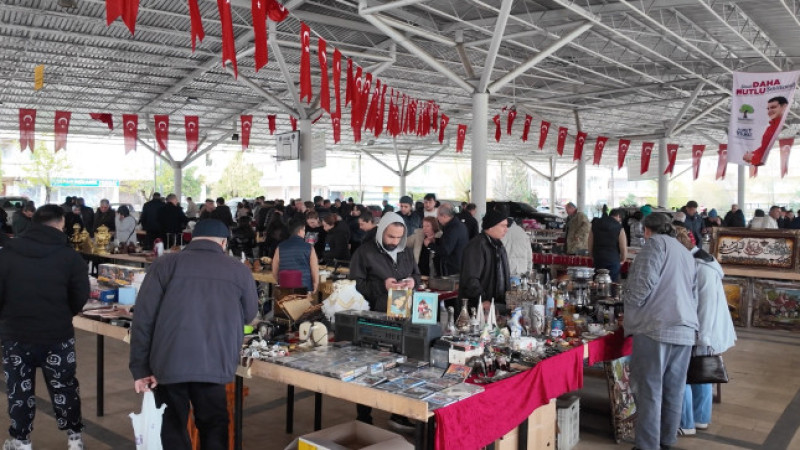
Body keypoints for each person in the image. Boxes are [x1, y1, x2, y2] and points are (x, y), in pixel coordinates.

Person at [130, 219, 259, 450]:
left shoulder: (165, 264)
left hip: (169, 363)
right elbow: (250, 315)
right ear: (223, 242)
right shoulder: (238, 269)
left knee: (171, 427)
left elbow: (143, 318)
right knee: (214, 426)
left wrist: (140, 369)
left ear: (191, 238)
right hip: (214, 363)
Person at [0, 204, 90, 450]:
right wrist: (63, 313)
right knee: (65, 386)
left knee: (19, 389)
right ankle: (74, 439)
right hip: (57, 335)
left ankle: (21, 441)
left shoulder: (7, 254)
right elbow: (80, 294)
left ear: (33, 222)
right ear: (60, 223)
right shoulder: (70, 257)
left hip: (16, 336)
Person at [622, 213, 698, 450]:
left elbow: (640, 287)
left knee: (649, 389)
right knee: (673, 389)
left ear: (646, 230)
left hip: (656, 327)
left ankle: (646, 445)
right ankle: (666, 441)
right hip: (685, 327)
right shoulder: (686, 252)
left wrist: (626, 305)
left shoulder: (653, 245)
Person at [348, 212, 420, 430]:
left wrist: (411, 282)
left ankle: (398, 414)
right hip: (374, 318)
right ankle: (364, 417)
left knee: (402, 366)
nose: (394, 242)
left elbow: (417, 275)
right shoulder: (365, 253)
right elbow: (355, 284)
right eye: (390, 237)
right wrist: (383, 286)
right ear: (381, 233)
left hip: (402, 316)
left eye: (399, 237)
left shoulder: (406, 252)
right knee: (368, 368)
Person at [674, 231, 737, 436]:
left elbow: (706, 307)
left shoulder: (702, 268)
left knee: (684, 374)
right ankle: (700, 418)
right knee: (700, 374)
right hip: (703, 331)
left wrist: (701, 338)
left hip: (703, 331)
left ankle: (686, 422)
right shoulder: (699, 261)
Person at [459, 209, 511, 311]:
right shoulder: (477, 245)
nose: (506, 229)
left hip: (497, 305)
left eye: (507, 226)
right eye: (502, 225)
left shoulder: (499, 246)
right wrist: (482, 299)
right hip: (479, 308)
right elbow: (470, 278)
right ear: (491, 226)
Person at [272, 219, 319, 293]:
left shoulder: (280, 246)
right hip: (304, 286)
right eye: (304, 230)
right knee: (302, 304)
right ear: (300, 231)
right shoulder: (309, 247)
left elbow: (274, 267)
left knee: (285, 304)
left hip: (285, 286)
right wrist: (315, 283)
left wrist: (278, 281)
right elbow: (314, 268)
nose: (304, 233)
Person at [743, 96, 789, 166]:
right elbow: (764, 148)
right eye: (768, 108)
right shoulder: (770, 127)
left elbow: (764, 153)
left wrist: (752, 158)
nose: (769, 111)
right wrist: (752, 154)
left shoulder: (779, 126)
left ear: (784, 106)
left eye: (773, 107)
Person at [587, 208, 627, 282]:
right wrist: (623, 259)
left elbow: (590, 241)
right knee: (612, 284)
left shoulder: (595, 223)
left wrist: (591, 255)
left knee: (597, 283)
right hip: (613, 259)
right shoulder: (619, 227)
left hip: (598, 258)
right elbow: (623, 246)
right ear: (618, 216)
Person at [433, 203, 468, 276]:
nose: (437, 218)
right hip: (460, 265)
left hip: (451, 269)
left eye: (438, 216)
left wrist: (430, 245)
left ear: (444, 216)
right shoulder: (459, 225)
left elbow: (445, 250)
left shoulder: (452, 229)